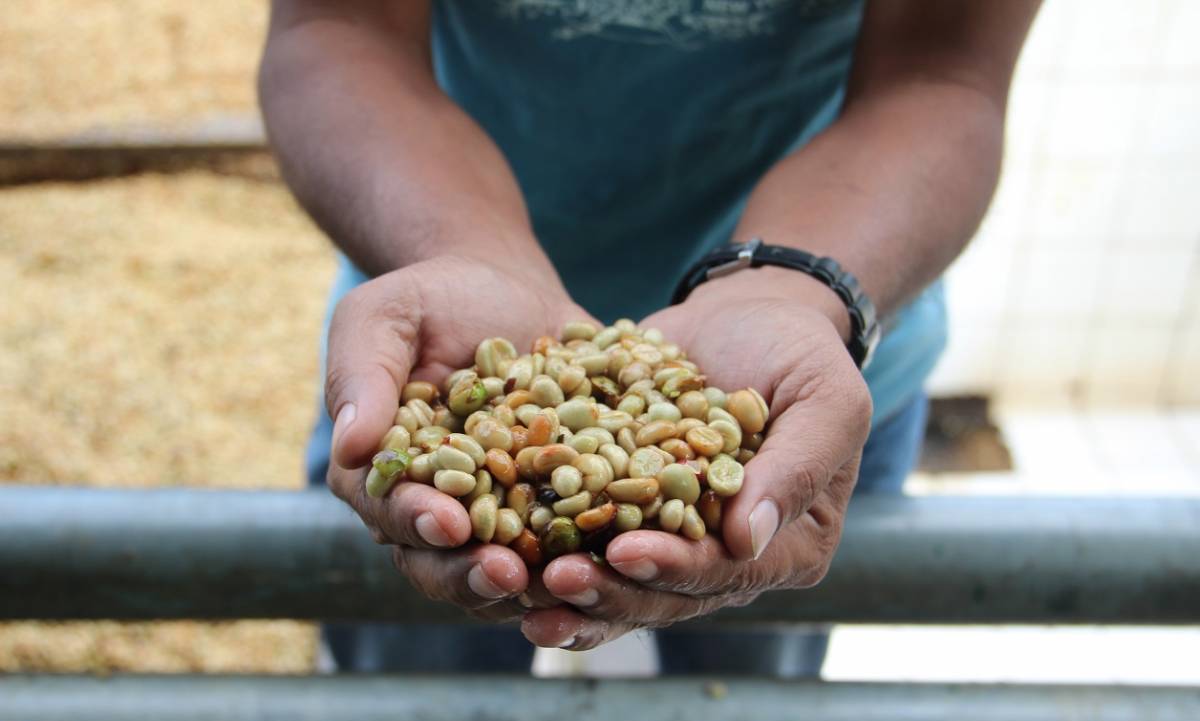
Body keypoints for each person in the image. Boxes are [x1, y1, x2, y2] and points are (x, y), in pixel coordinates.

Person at [259, 0, 1039, 674]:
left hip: (803, 384)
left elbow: (943, 73)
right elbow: (336, 23)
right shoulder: (470, 411)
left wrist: (795, 289)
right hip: (429, 330)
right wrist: (461, 250)